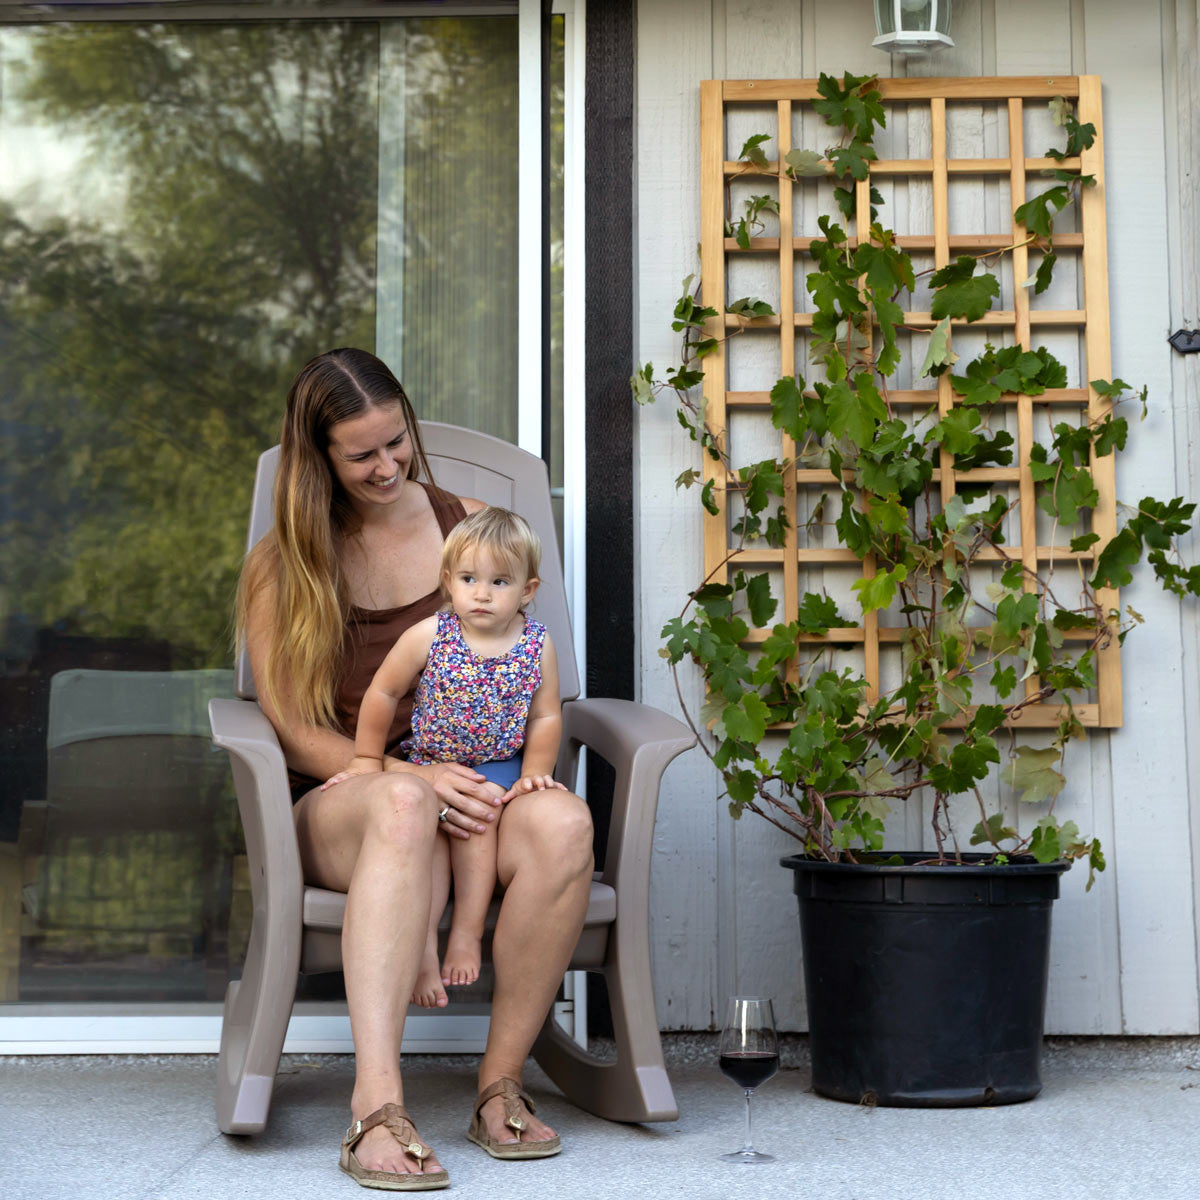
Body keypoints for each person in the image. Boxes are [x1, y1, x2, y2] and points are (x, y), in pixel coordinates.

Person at [236, 348, 593, 1189]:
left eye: (397, 441)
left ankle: (499, 1085)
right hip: (347, 800)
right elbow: (286, 725)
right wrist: (412, 776)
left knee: (565, 824)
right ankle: (376, 1108)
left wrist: (499, 772)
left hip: (476, 789)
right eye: (361, 453)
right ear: (316, 456)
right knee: (400, 801)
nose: (388, 465)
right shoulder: (285, 564)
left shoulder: (467, 526)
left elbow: (534, 673)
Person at [322, 506, 569, 1011]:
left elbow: (545, 718)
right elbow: (383, 693)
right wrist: (368, 758)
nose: (481, 593)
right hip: (431, 764)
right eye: (468, 579)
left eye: (500, 581)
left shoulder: (535, 645)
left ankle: (465, 934)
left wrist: (535, 773)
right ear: (448, 582)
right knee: (428, 846)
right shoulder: (433, 634)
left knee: (476, 837)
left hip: (496, 769)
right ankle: (423, 951)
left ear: (527, 590)